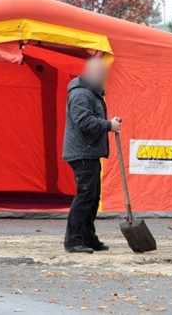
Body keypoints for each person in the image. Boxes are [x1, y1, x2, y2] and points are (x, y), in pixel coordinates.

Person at [62, 57, 121, 254]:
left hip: (89, 151)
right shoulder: (80, 93)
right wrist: (109, 125)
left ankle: (88, 237)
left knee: (92, 197)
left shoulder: (91, 92)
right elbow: (83, 121)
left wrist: (109, 123)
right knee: (85, 195)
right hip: (82, 152)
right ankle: (73, 240)